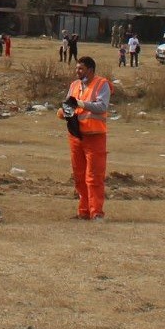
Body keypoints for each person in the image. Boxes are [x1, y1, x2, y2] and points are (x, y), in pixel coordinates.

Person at [61, 56, 112, 220]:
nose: (77, 71)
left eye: (81, 68)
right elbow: (68, 103)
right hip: (76, 136)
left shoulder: (102, 84)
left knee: (94, 177)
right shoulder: (74, 85)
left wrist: (81, 104)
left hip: (95, 137)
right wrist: (65, 112)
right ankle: (83, 211)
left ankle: (96, 212)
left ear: (90, 70)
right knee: (79, 176)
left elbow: (102, 106)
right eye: (77, 68)